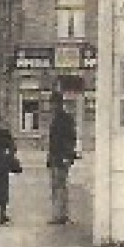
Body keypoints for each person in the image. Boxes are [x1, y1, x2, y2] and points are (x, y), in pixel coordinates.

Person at [46, 91, 78, 225]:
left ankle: (62, 215)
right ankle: (57, 214)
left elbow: (71, 139)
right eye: (51, 104)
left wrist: (67, 156)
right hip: (54, 157)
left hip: (62, 157)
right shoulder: (55, 119)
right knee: (55, 186)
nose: (52, 106)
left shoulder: (65, 119)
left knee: (60, 186)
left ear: (60, 104)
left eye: (54, 103)